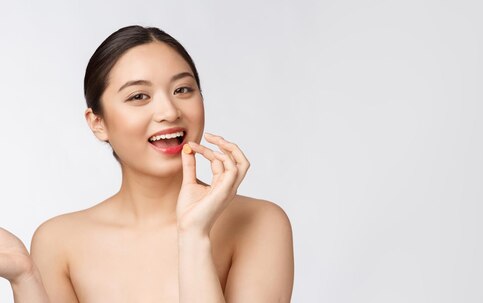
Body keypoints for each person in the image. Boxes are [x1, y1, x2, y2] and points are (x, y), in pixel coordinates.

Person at [0, 25, 294, 302]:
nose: (168, 111)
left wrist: (193, 235)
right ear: (98, 123)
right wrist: (24, 279)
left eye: (183, 90)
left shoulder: (260, 222)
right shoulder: (57, 241)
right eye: (139, 96)